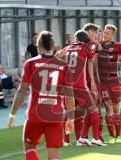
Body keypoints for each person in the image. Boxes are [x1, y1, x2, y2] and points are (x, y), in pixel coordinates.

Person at [7, 31, 75, 160]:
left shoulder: (31, 63)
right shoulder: (63, 66)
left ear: (38, 47)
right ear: (53, 47)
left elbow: (22, 90)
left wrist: (12, 114)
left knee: (30, 148)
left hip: (35, 114)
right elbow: (69, 95)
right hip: (55, 115)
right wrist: (70, 119)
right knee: (54, 156)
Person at [97, 24, 121, 143]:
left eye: (107, 33)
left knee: (116, 108)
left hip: (114, 81)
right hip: (102, 82)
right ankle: (111, 136)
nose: (104, 34)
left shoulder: (118, 46)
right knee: (108, 107)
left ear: (112, 35)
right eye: (104, 32)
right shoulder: (99, 45)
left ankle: (118, 135)